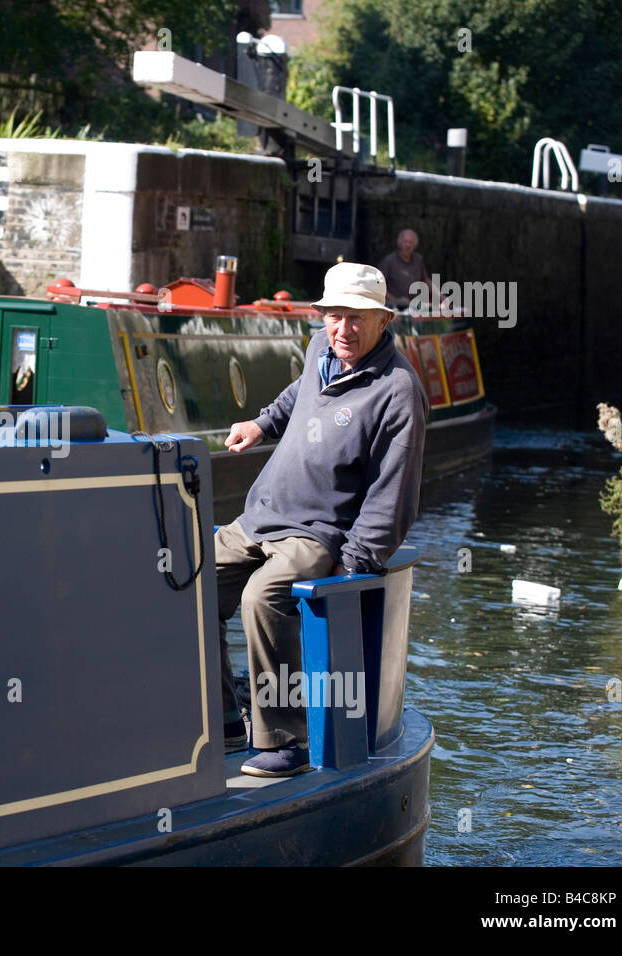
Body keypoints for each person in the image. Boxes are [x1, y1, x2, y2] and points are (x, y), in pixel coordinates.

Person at [218, 261, 428, 777]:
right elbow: (298, 396)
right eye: (334, 315)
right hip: (262, 514)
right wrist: (261, 423)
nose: (343, 328)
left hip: (317, 534)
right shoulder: (320, 350)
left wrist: (351, 567)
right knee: (185, 581)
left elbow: (392, 499)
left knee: (262, 598)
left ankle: (282, 741)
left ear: (384, 321)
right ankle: (221, 720)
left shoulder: (399, 392)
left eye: (357, 318)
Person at [377, 229, 431, 309]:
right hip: (394, 308)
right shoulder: (389, 261)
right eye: (405, 242)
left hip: (416, 306)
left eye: (411, 242)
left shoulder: (418, 260)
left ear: (415, 245)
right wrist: (395, 300)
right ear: (399, 243)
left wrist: (441, 297)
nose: (408, 245)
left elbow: (426, 281)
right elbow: (377, 285)